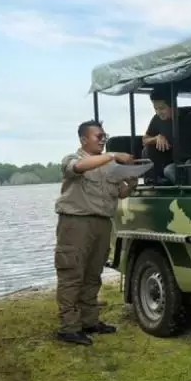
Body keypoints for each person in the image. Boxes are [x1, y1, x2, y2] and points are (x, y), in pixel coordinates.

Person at [53, 120, 138, 346]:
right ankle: (69, 328)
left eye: (104, 136)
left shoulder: (109, 167)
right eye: (98, 136)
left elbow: (120, 193)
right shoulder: (72, 159)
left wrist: (131, 180)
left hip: (102, 224)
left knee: (93, 274)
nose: (102, 139)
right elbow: (79, 168)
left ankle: (89, 322)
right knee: (72, 274)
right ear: (83, 139)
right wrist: (112, 155)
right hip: (76, 224)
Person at [142, 88, 191, 183]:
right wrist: (156, 138)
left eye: (162, 108)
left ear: (172, 105)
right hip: (172, 162)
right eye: (155, 109)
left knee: (182, 167)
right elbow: (144, 139)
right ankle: (155, 181)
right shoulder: (157, 119)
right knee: (168, 168)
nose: (158, 112)